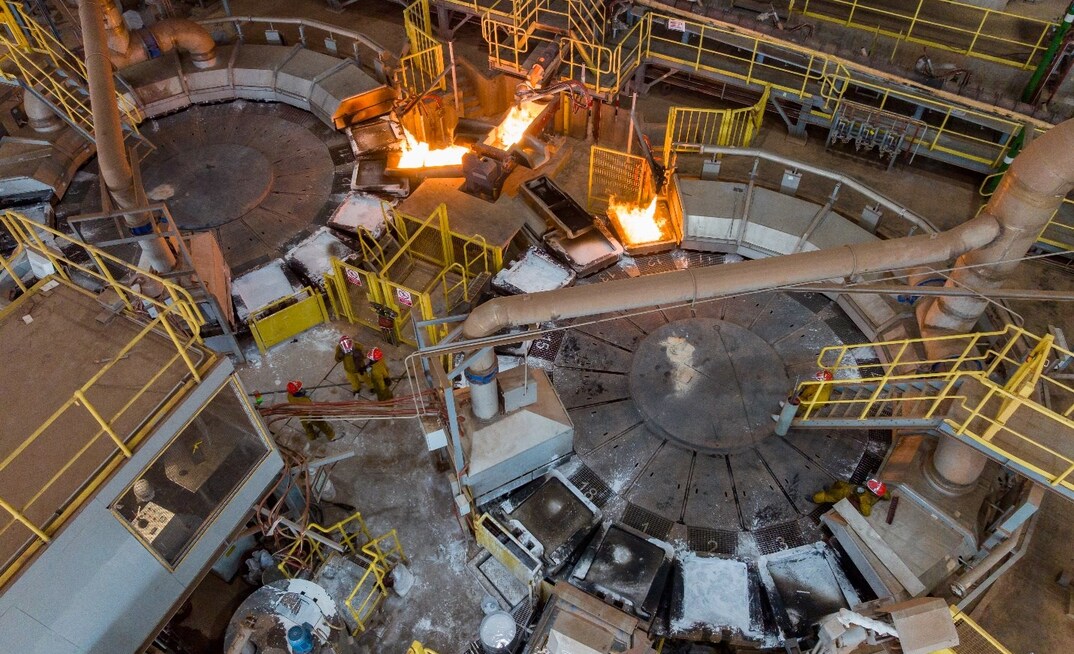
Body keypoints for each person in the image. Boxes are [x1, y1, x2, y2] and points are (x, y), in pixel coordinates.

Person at [812, 477, 892, 517]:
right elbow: (887, 495)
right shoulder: (881, 491)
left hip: (846, 494)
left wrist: (862, 497)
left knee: (827, 496)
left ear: (873, 492)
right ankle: (830, 489)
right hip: (851, 488)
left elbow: (866, 513)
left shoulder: (865, 498)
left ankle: (815, 499)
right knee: (839, 483)